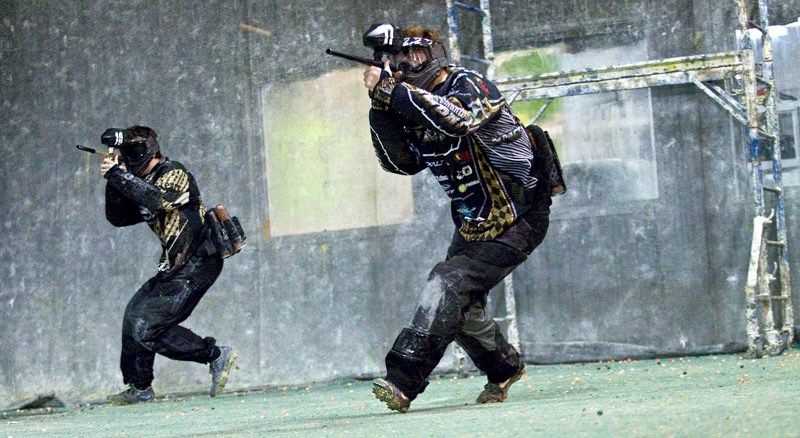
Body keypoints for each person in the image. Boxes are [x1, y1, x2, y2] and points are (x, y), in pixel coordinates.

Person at [362, 24, 554, 413]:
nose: (408, 63)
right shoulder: (412, 102)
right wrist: (380, 107)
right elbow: (401, 164)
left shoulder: (469, 84)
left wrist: (395, 92)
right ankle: (503, 368)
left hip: (519, 215)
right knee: (461, 306)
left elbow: (458, 120)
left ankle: (401, 381)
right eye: (401, 57)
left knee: (445, 283)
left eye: (415, 55)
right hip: (473, 220)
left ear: (435, 53)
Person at [99, 125, 238, 404]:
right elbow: (118, 218)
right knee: (134, 315)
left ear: (150, 150)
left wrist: (118, 175)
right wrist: (114, 179)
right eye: (125, 153)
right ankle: (139, 387)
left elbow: (158, 199)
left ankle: (215, 355)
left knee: (147, 328)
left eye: (134, 152)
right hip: (175, 265)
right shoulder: (137, 181)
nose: (129, 158)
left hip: (198, 261)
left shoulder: (174, 173)